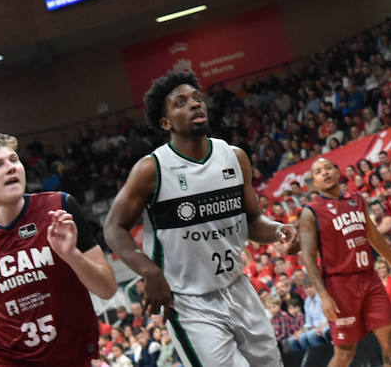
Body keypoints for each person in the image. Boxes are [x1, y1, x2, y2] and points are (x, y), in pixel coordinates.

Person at [104, 72, 298, 367]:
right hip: (189, 302)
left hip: (238, 287)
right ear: (165, 122)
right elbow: (113, 227)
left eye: (197, 99)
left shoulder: (234, 157)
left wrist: (279, 230)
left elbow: (254, 220)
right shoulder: (152, 169)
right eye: (181, 103)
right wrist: (150, 272)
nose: (195, 105)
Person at [0, 134, 116, 367]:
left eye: (14, 160)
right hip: (3, 358)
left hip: (70, 354)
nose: (11, 168)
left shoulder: (60, 207)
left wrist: (72, 256)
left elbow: (107, 289)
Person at [298, 158, 391, 367]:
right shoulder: (311, 212)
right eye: (318, 171)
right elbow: (308, 257)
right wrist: (323, 295)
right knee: (345, 354)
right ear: (314, 182)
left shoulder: (357, 200)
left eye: (328, 168)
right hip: (339, 286)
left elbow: (375, 237)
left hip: (369, 279)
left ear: (337, 171)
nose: (324, 173)